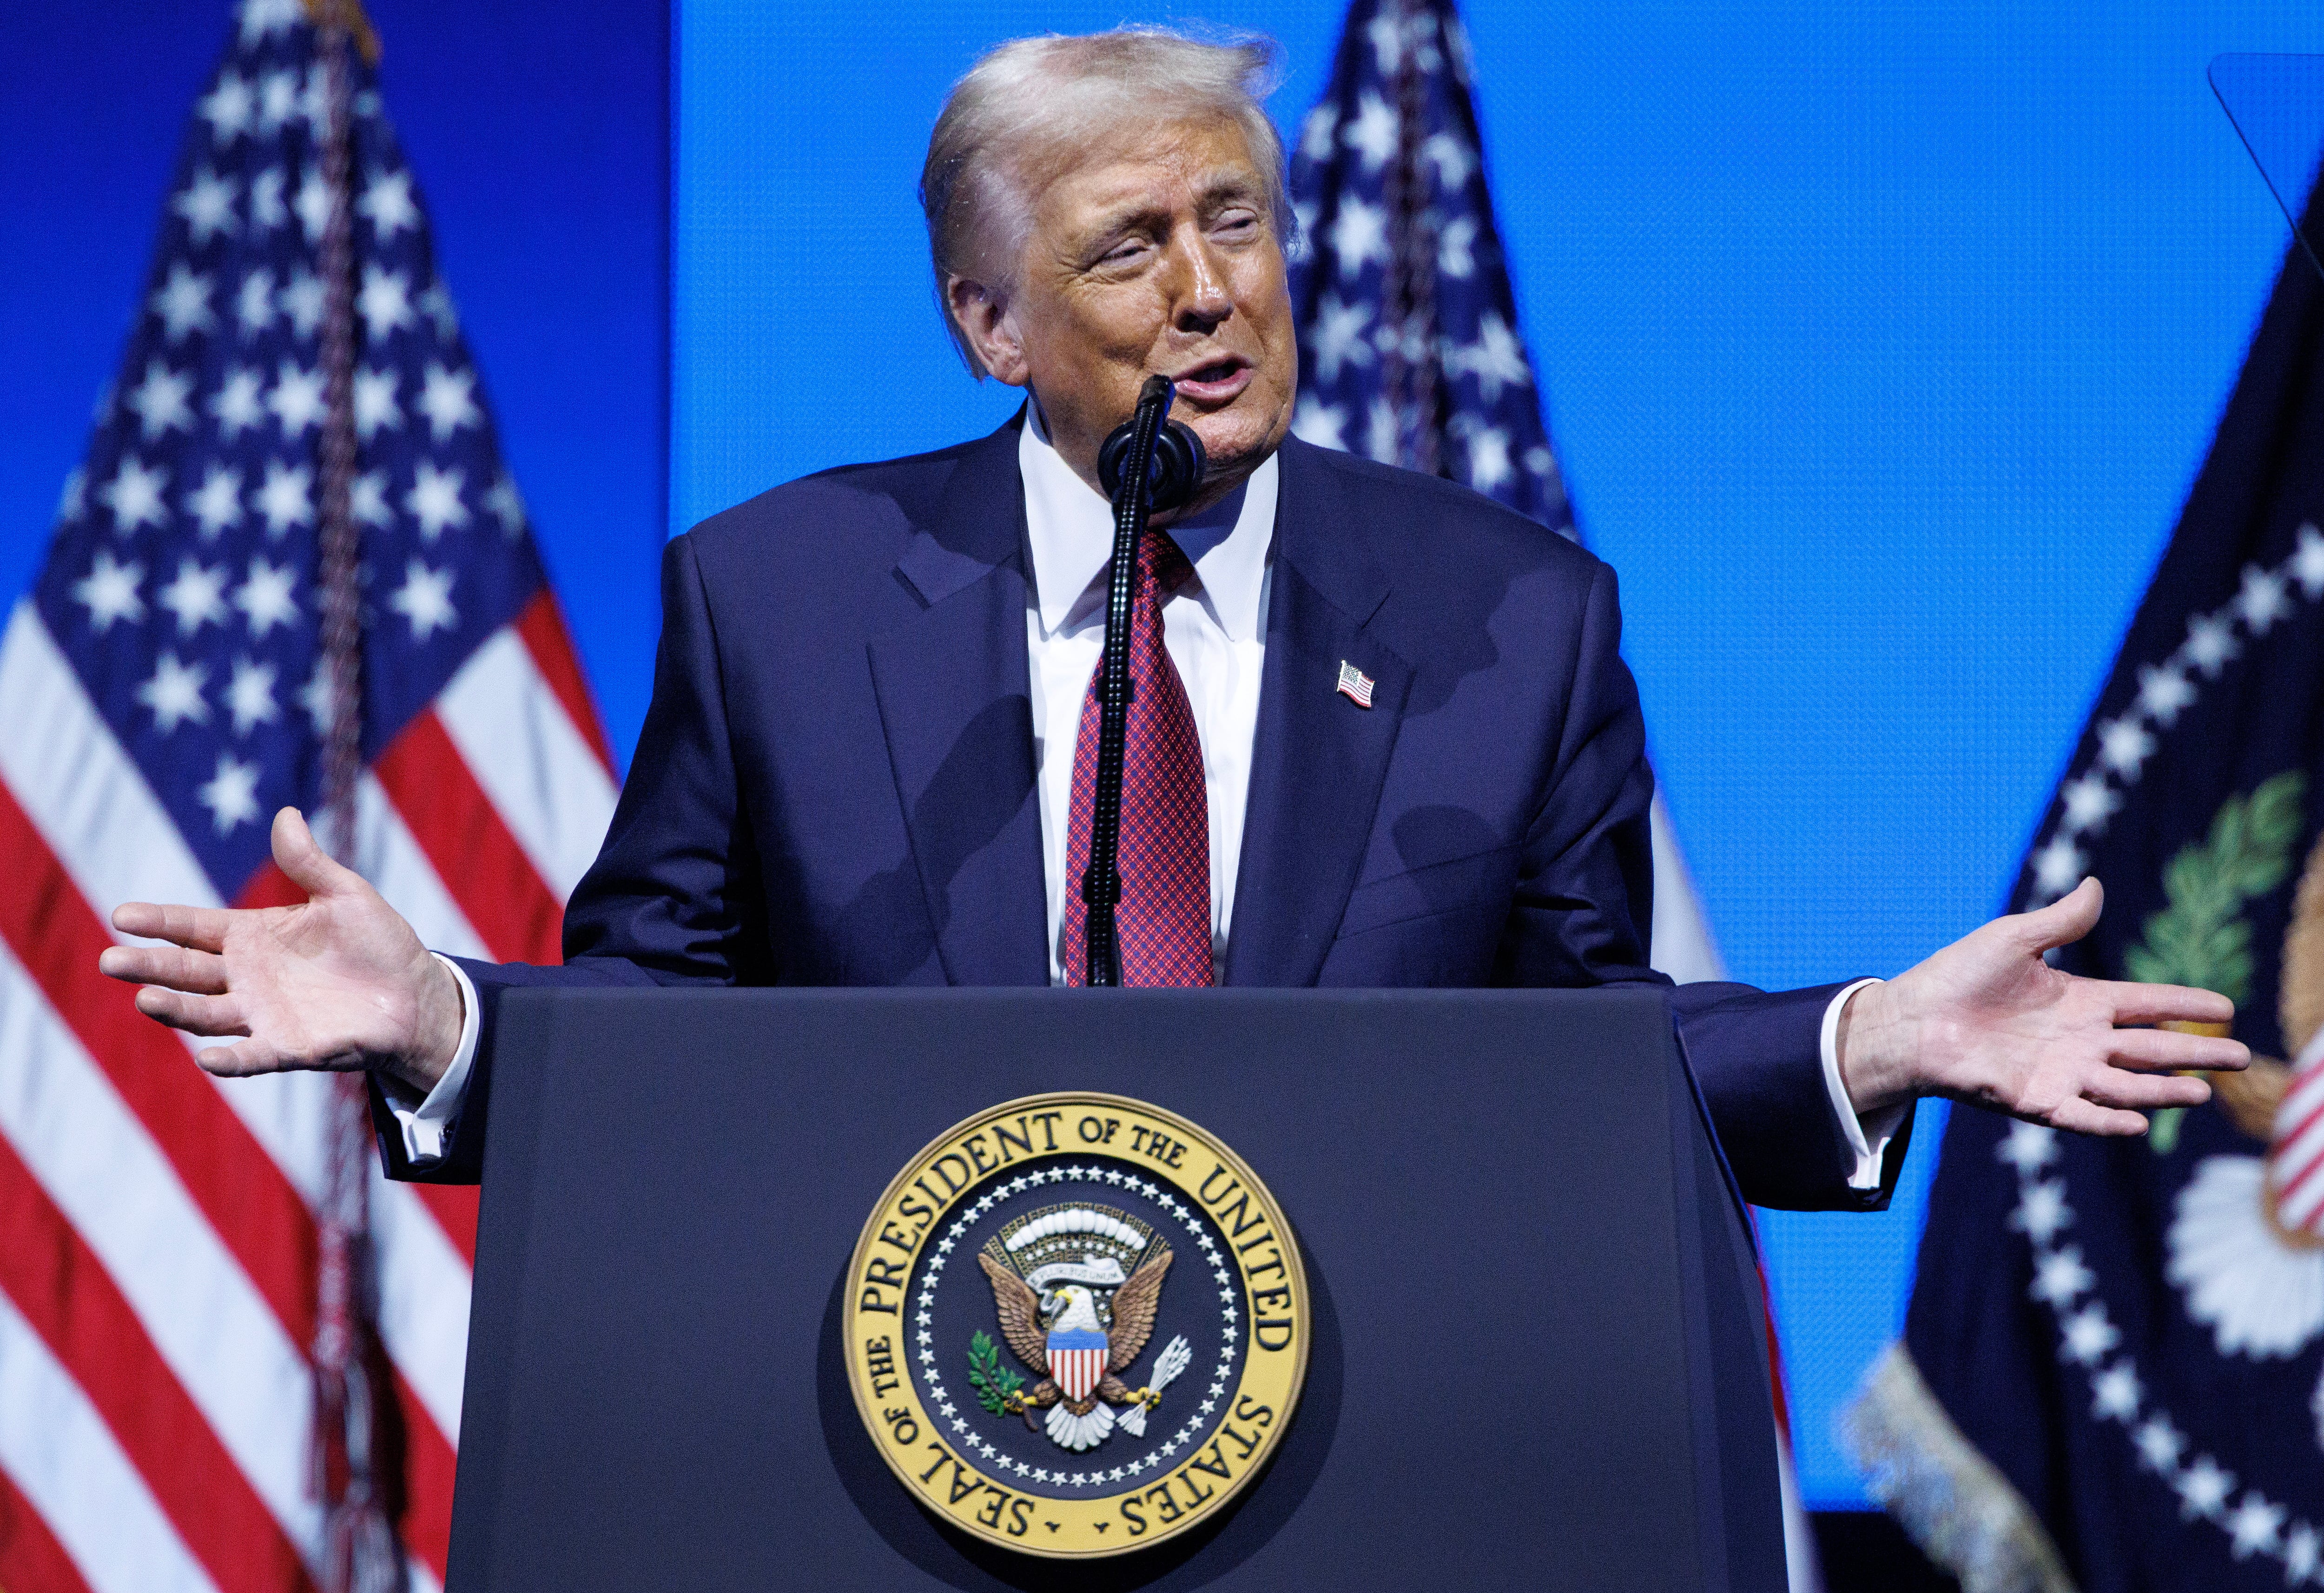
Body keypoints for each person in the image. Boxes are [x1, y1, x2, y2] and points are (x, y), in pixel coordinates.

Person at [98, 30, 2242, 1211]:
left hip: (1362, 1458)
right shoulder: (776, 597)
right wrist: (446, 1021)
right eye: (1130, 247)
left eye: (1237, 222)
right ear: (988, 322)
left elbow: (1581, 1057)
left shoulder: (1509, 616)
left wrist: (1864, 1036)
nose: (1210, 291)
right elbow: (675, 1024)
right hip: (889, 1448)